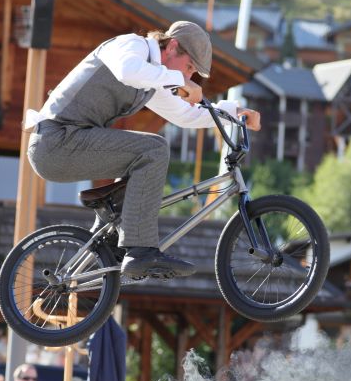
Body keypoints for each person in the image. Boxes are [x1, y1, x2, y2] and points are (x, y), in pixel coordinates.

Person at [25, 20, 261, 279]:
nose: (189, 77)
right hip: (55, 142)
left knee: (146, 153)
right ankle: (140, 250)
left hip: (72, 142)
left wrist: (232, 113)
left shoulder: (153, 79)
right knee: (153, 149)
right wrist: (178, 79)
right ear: (171, 47)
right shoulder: (130, 46)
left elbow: (184, 115)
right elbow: (127, 71)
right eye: (189, 67)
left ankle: (110, 224)